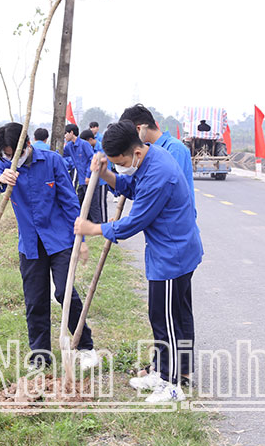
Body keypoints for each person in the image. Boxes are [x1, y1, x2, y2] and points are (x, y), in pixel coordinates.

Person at [74, 121, 201, 403]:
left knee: (165, 319)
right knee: (171, 316)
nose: (121, 167)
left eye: (120, 162)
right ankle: (163, 371)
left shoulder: (159, 173)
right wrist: (106, 172)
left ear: (136, 153)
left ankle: (171, 384)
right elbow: (130, 186)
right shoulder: (149, 158)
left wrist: (92, 228)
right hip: (169, 250)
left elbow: (136, 221)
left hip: (173, 256)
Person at [0, 123, 99, 370]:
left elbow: (69, 202)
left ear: (26, 145)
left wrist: (81, 241)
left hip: (59, 240)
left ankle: (85, 347)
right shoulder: (7, 165)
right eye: (5, 154)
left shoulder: (52, 161)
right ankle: (40, 355)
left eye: (12, 152)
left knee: (64, 292)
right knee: (35, 300)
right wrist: (0, 178)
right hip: (30, 245)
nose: (8, 157)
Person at [119, 104, 195, 204]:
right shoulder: (145, 151)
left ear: (138, 129)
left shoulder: (174, 148)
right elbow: (133, 185)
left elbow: (163, 190)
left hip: (172, 217)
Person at [63, 124, 103, 223]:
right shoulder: (69, 146)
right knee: (79, 202)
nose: (64, 136)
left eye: (65, 133)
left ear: (71, 133)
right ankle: (83, 223)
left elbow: (91, 159)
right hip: (81, 180)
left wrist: (89, 176)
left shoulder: (84, 144)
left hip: (90, 178)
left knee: (93, 204)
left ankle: (97, 225)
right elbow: (61, 155)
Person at [79, 129, 108, 223]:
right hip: (93, 180)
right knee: (94, 202)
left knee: (101, 203)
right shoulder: (89, 148)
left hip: (102, 178)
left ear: (90, 140)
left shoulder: (101, 148)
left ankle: (103, 222)